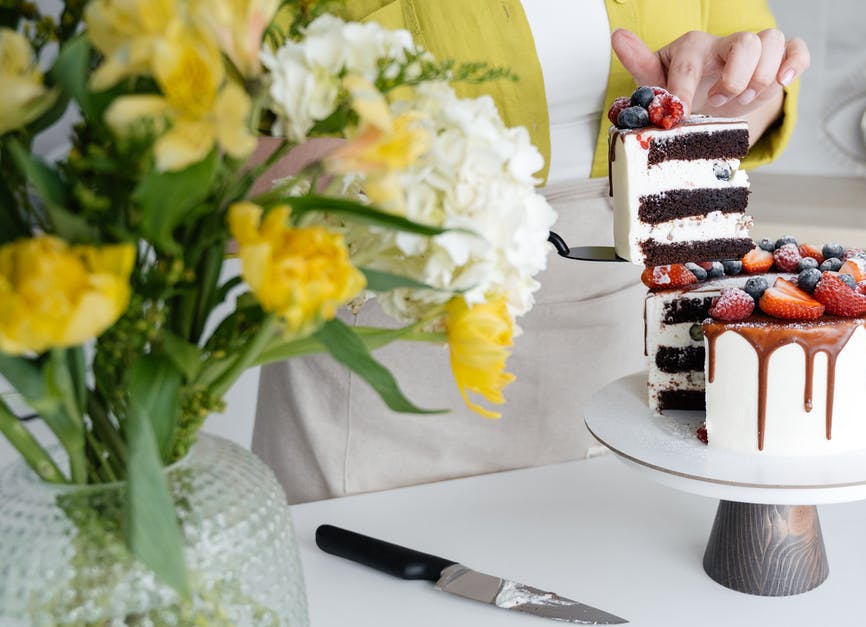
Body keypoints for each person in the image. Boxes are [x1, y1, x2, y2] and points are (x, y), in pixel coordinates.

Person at [252, 0, 809, 503]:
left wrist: (725, 104)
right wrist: (368, 160)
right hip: (378, 369)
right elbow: (199, 170)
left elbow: (760, 91)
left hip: (625, 358)